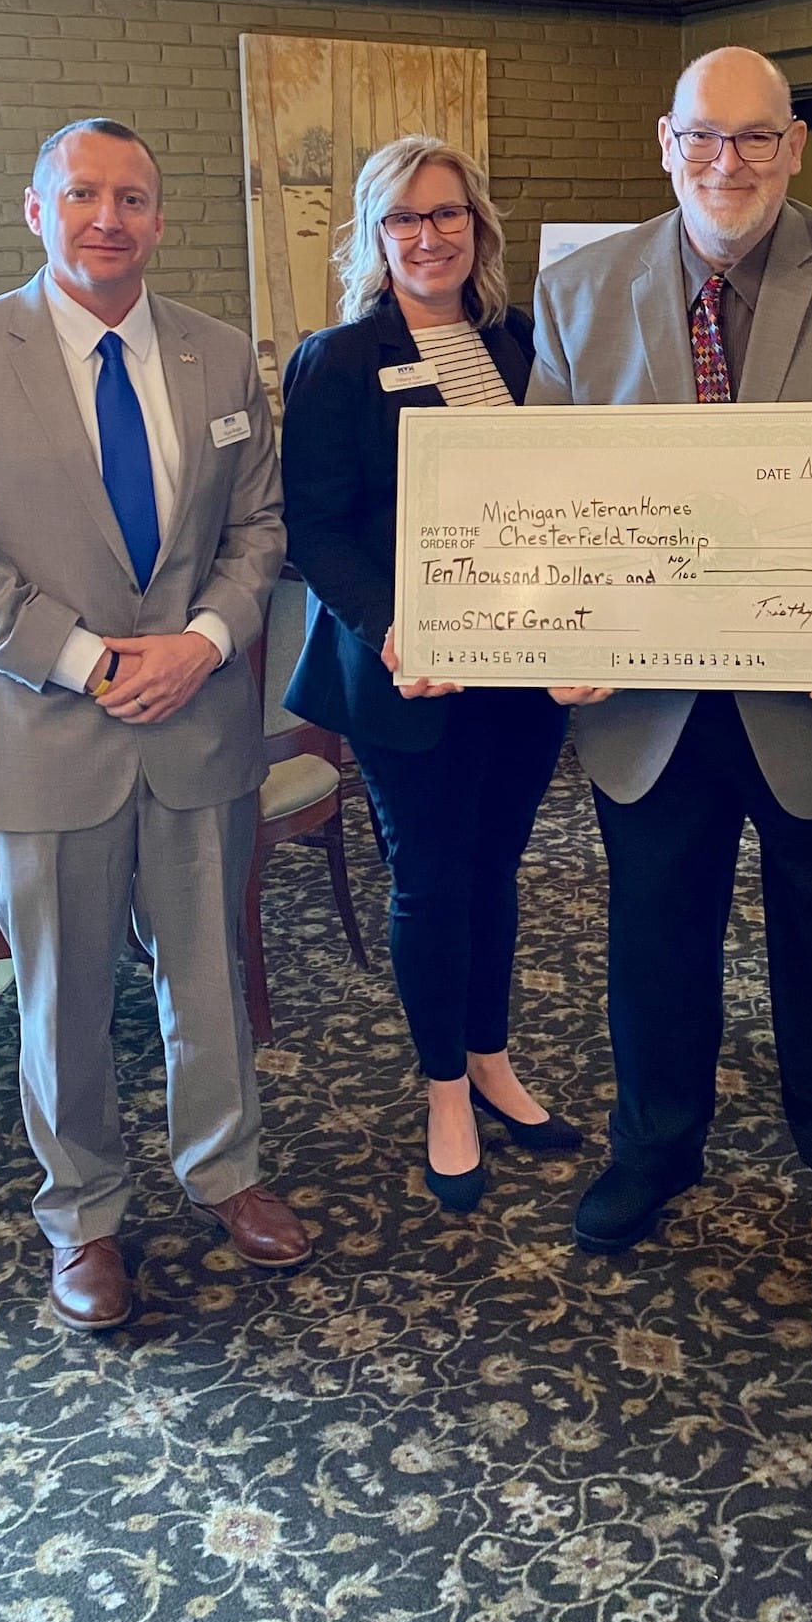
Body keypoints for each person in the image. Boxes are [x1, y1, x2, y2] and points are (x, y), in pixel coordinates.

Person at [529, 46, 812, 1277]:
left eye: (757, 138)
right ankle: (655, 1142)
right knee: (653, 937)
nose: (729, 163)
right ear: (662, 141)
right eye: (704, 139)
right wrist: (550, 635)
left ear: (795, 145)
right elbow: (544, 491)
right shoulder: (577, 289)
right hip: (647, 701)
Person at [0, 118, 304, 1332]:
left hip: (197, 721)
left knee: (209, 977)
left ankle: (225, 1169)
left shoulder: (221, 359)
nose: (107, 217)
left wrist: (203, 642)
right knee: (62, 993)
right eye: (82, 193)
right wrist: (85, 658)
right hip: (39, 729)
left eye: (132, 196)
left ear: (159, 219)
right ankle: (85, 1216)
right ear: (37, 210)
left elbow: (258, 531)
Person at [281, 137, 572, 1213]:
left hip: (521, 666)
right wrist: (395, 627)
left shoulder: (521, 344)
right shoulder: (340, 356)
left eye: (447, 213)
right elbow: (316, 527)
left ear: (477, 226)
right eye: (404, 217)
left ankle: (491, 1057)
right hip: (409, 669)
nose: (429, 235)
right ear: (374, 234)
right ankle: (444, 1086)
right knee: (433, 875)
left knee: (497, 867)